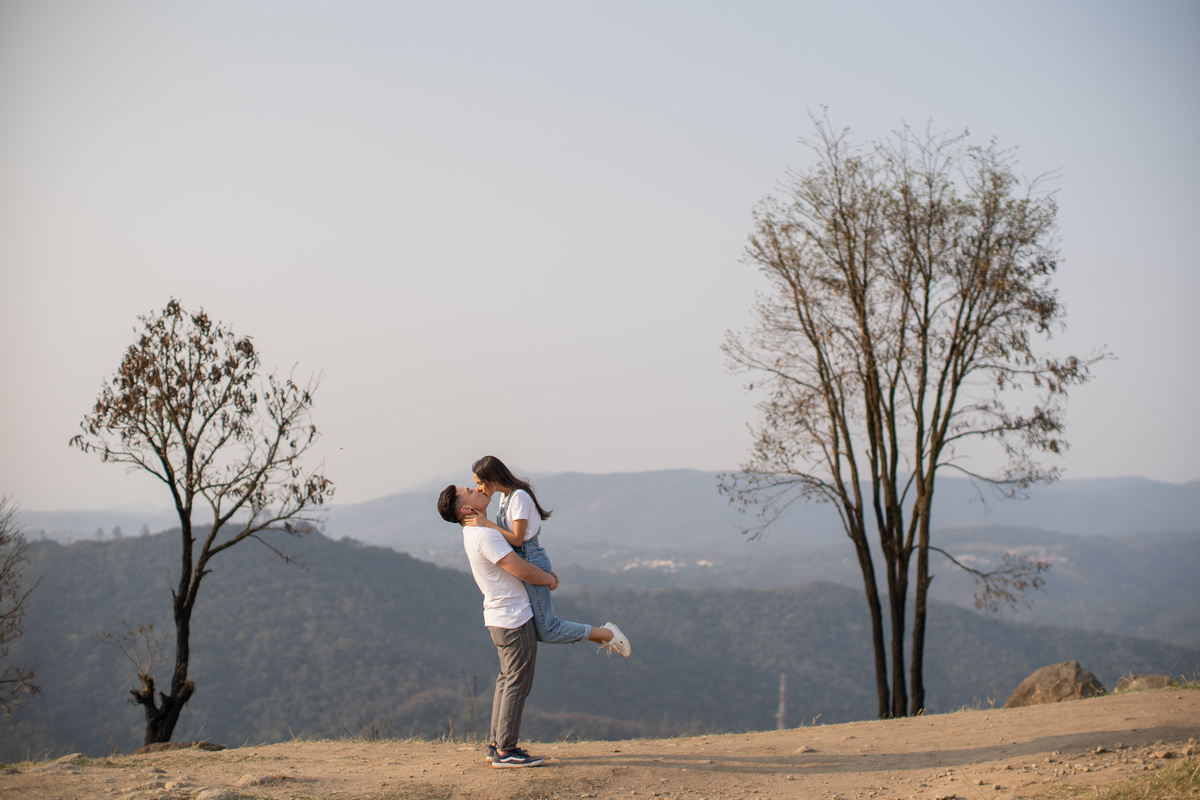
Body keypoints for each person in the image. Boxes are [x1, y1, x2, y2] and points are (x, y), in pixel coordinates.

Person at [465, 455, 630, 656]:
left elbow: (517, 539)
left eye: (480, 482)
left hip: (529, 556)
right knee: (538, 629)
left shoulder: (519, 497)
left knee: (548, 629)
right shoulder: (505, 497)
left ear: (492, 477)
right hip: (526, 558)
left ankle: (606, 633)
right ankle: (602, 634)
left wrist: (486, 524)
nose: (480, 488)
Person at [437, 483, 548, 768]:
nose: (477, 488)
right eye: (469, 490)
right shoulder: (485, 535)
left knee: (507, 679)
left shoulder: (474, 533)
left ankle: (497, 744)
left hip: (500, 616)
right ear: (466, 508)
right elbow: (519, 568)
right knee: (517, 682)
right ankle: (506, 751)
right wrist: (550, 579)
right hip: (512, 617)